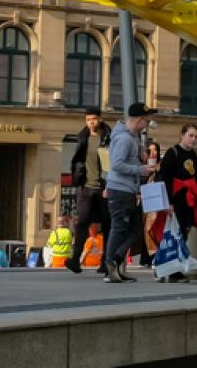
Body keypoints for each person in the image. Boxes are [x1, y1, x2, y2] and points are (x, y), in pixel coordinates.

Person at [102, 102, 157, 284]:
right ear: (139, 120)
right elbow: (116, 164)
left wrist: (139, 156)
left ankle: (114, 263)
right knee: (120, 228)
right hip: (120, 189)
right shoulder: (124, 139)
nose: (147, 124)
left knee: (132, 229)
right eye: (146, 121)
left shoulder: (130, 137)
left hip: (125, 189)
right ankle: (112, 264)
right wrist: (140, 169)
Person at [64, 109, 109, 274]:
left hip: (104, 188)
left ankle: (106, 262)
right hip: (85, 187)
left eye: (94, 119)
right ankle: (75, 260)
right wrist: (77, 177)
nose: (91, 122)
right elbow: (76, 160)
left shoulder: (107, 137)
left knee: (107, 225)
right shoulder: (82, 137)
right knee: (81, 223)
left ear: (100, 120)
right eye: (88, 119)